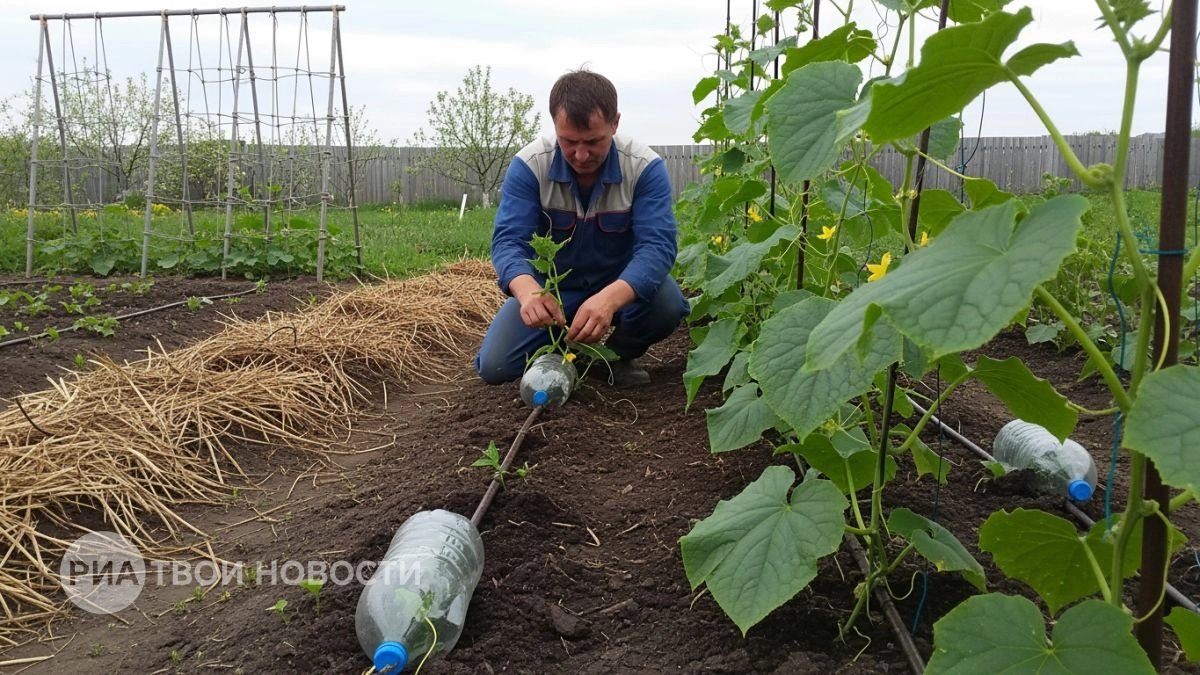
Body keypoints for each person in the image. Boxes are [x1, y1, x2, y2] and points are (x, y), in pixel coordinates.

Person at [473, 69, 689, 387]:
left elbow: (657, 247)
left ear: (614, 123)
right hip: (553, 291)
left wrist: (609, 299)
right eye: (569, 142)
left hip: (619, 286)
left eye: (593, 141)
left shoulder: (643, 167)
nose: (581, 154)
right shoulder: (531, 166)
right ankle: (562, 352)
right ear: (555, 127)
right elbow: (508, 241)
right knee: (495, 367)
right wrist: (528, 292)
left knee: (667, 304)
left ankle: (614, 356)